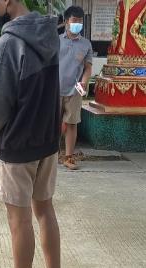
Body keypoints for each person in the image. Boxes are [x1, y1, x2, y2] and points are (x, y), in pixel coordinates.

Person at [0, 0, 80, 268]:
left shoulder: (7, 44)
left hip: (17, 147)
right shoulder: (48, 32)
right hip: (46, 142)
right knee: (44, 210)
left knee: (19, 221)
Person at [59, 6, 93, 170]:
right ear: (66, 21)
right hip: (54, 90)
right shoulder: (56, 41)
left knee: (72, 123)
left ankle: (68, 158)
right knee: (52, 124)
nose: (77, 24)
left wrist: (84, 82)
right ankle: (48, 157)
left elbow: (87, 68)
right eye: (74, 20)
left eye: (80, 21)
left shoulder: (86, 44)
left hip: (75, 91)